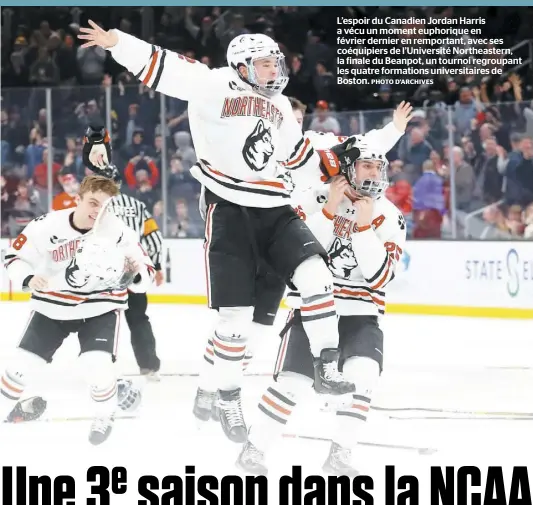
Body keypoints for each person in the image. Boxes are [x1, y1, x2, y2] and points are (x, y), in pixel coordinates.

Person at [78, 22, 362, 443]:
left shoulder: (281, 105)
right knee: (233, 322)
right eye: (265, 64)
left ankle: (327, 363)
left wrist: (332, 163)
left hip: (275, 206)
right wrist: (118, 42)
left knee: (317, 275)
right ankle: (227, 396)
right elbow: (161, 63)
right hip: (228, 207)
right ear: (243, 66)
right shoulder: (212, 84)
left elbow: (298, 155)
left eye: (276, 63)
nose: (274, 71)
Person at [193, 99, 412, 422]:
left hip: (290, 238)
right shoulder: (250, 144)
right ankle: (211, 387)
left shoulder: (313, 145)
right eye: (285, 118)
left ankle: (317, 370)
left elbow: (364, 148)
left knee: (264, 327)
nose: (289, 124)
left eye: (295, 119)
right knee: (238, 326)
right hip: (254, 239)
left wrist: (395, 129)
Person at [236, 131, 409, 476]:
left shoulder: (390, 216)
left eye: (378, 166)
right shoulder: (313, 198)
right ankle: (253, 450)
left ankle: (339, 455)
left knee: (364, 375)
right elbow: (294, 256)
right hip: (314, 310)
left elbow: (380, 279)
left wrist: (362, 229)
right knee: (293, 383)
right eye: (366, 166)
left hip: (360, 314)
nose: (374, 174)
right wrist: (330, 209)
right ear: (347, 168)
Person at [1, 175, 154, 444]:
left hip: (100, 306)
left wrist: (135, 275)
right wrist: (27, 278)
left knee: (96, 365)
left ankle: (105, 414)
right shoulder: (46, 225)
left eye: (104, 206)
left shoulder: (119, 231)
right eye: (92, 203)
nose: (97, 211)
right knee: (19, 368)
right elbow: (13, 257)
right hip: (52, 306)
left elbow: (146, 271)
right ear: (78, 199)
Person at [83, 125, 164, 380]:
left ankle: (102, 365)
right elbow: (153, 238)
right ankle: (149, 367)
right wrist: (158, 266)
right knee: (138, 319)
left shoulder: (93, 206)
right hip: (134, 272)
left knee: (103, 319)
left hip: (101, 273)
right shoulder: (138, 206)